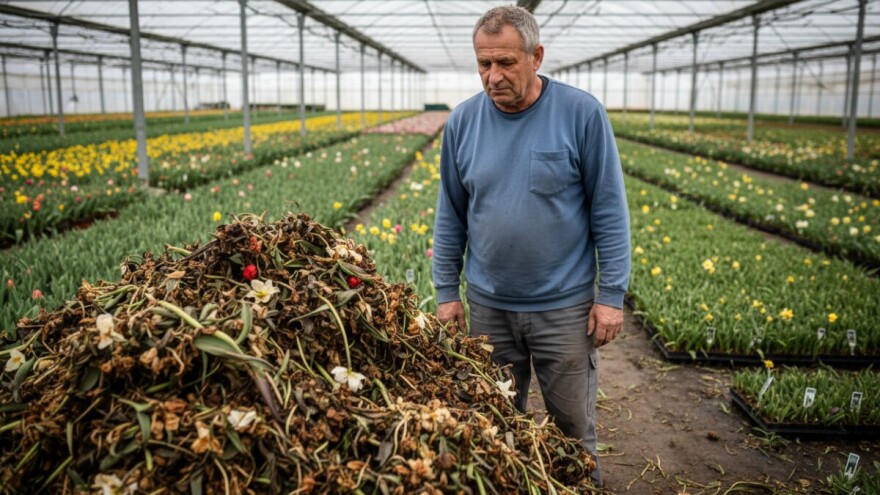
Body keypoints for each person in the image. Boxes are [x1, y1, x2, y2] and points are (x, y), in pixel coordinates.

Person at [431, 5, 630, 487]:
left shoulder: (581, 114)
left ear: (536, 56)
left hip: (564, 309)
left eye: (505, 63)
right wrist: (446, 291)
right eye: (483, 64)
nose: (492, 76)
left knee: (572, 430)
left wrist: (611, 296)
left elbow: (609, 209)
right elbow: (450, 213)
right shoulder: (462, 122)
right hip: (489, 307)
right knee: (494, 424)